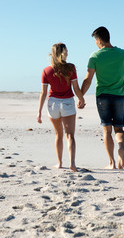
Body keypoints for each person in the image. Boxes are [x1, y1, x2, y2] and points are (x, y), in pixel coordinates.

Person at [81, 27, 124, 170]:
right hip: (119, 96)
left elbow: (88, 79)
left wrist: (81, 96)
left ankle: (112, 163)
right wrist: (116, 87)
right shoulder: (123, 54)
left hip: (103, 96)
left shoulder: (95, 56)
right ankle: (121, 148)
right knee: (119, 129)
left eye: (95, 41)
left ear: (99, 40)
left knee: (106, 130)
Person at [37, 43, 85, 172]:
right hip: (67, 103)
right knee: (70, 135)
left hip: (53, 104)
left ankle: (59, 163)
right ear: (60, 54)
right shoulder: (71, 68)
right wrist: (81, 99)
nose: (67, 53)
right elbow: (75, 88)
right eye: (65, 51)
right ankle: (72, 164)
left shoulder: (46, 71)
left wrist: (39, 112)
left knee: (58, 135)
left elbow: (43, 92)